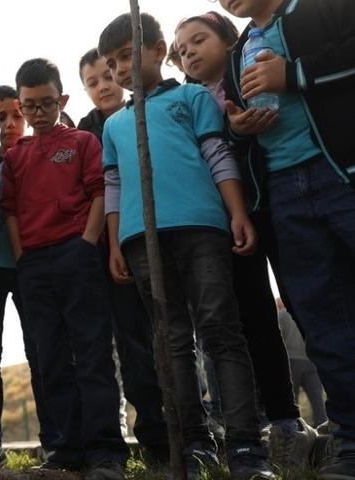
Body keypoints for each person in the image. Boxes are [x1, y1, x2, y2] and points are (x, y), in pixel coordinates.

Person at [98, 12, 275, 480]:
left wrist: (236, 211)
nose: (119, 69)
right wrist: (114, 243)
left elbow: (218, 154)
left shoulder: (192, 97)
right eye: (111, 63)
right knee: (171, 341)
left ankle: (245, 446)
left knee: (220, 327)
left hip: (201, 228)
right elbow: (112, 186)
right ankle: (193, 442)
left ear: (159, 50)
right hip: (141, 241)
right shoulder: (115, 126)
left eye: (126, 55)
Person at [173, 11, 317, 472]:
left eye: (198, 40)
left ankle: (338, 415)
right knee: (254, 317)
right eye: (181, 50)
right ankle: (283, 420)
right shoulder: (189, 101)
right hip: (231, 220)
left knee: (306, 301)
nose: (189, 52)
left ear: (228, 40)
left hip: (282, 202)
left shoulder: (251, 69)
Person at [219, 1, 355, 477]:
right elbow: (242, 135)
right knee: (324, 317)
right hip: (285, 194)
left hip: (342, 174)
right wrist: (238, 129)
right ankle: (353, 442)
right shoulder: (238, 52)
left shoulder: (326, 7)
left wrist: (294, 73)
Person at [1, 57, 128, 480]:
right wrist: (23, 256)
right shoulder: (15, 157)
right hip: (35, 264)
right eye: (30, 105)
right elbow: (11, 209)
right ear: (20, 106)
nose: (38, 113)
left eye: (47, 103)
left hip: (77, 254)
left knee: (92, 352)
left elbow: (97, 192)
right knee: (50, 356)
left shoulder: (82, 142)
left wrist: (87, 243)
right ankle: (67, 449)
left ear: (63, 100)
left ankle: (107, 449)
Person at [77, 48, 169, 464]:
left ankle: (192, 426)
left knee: (172, 335)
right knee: (131, 342)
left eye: (107, 75)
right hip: (110, 252)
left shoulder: (144, 114)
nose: (103, 85)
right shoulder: (85, 131)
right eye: (92, 82)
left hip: (155, 236)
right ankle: (153, 434)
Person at [0, 85, 58, 469]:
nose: (8, 124)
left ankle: (53, 439)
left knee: (40, 352)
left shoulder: (36, 157)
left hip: (31, 267)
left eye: (14, 115)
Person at [276, 299, 327, 427]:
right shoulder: (304, 312)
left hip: (291, 362)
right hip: (310, 360)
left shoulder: (281, 316)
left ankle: (296, 430)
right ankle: (323, 428)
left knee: (292, 399)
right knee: (317, 400)